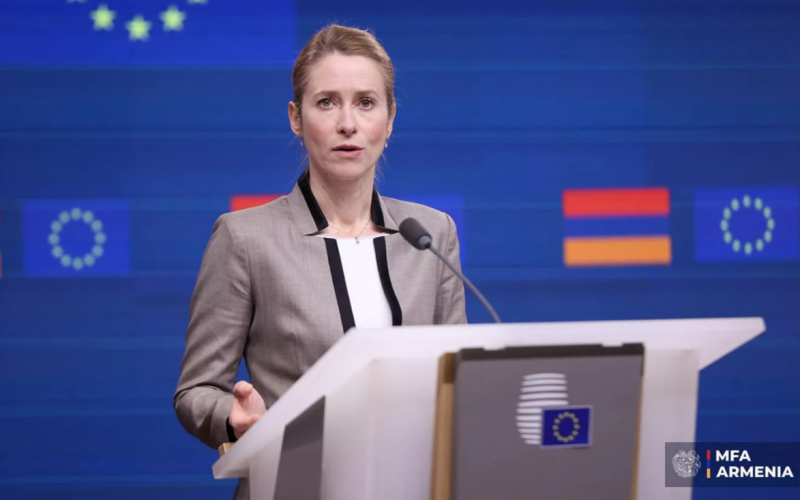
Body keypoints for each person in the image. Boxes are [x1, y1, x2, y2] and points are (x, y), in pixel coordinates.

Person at [173, 23, 467, 499]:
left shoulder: (431, 235)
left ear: (390, 118)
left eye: (366, 103)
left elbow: (457, 383)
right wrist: (233, 417)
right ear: (296, 117)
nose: (347, 123)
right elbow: (196, 391)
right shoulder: (245, 238)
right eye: (327, 102)